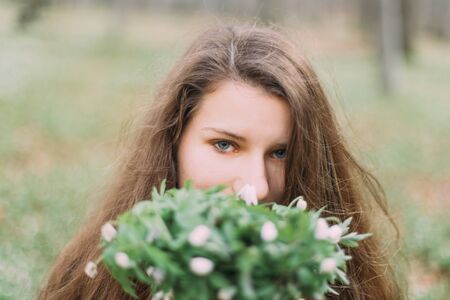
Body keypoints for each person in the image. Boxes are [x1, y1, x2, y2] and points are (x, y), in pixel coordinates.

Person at [38, 24, 404, 299]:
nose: (256, 187)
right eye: (225, 145)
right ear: (174, 139)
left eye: (281, 153)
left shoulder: (332, 281)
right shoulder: (100, 280)